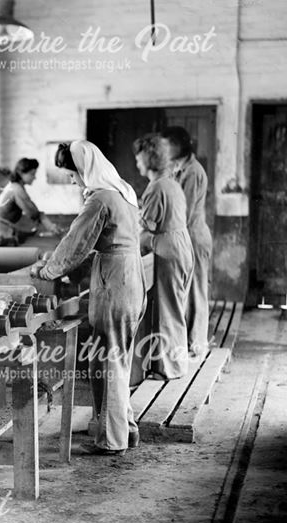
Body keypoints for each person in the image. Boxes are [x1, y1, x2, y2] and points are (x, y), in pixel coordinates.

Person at [30, 140, 146, 455]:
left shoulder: (99, 199)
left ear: (84, 168)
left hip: (115, 280)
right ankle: (127, 430)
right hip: (131, 275)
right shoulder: (123, 191)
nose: (72, 180)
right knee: (116, 357)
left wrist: (47, 271)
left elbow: (75, 243)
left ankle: (112, 441)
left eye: (73, 174)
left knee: (107, 360)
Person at [135, 133, 193, 380]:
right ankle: (174, 364)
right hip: (181, 246)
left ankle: (171, 369)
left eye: (138, 158)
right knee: (176, 308)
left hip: (168, 250)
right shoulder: (171, 183)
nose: (137, 163)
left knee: (168, 311)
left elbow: (147, 225)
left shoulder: (156, 187)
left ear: (148, 159)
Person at [161, 127, 212, 356]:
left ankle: (198, 344)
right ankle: (189, 343)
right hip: (185, 237)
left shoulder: (193, 171)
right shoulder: (177, 167)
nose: (163, 150)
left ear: (179, 145)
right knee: (187, 291)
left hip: (194, 237)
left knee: (197, 291)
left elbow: (185, 212)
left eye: (167, 145)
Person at [0, 158, 48, 245]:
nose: (34, 177)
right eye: (32, 174)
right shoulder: (16, 189)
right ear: (21, 173)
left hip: (0, 230)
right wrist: (49, 225)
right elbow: (32, 212)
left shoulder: (13, 186)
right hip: (1, 233)